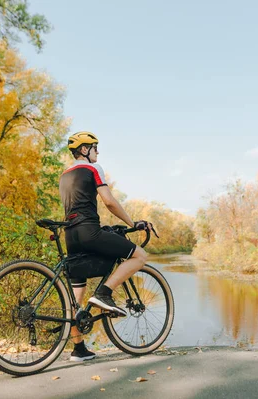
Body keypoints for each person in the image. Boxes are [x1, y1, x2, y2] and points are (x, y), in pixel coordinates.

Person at [58, 131, 152, 361]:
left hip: (70, 235)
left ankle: (78, 349)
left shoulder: (64, 175)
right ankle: (104, 292)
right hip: (89, 231)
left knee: (76, 298)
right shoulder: (92, 169)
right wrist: (132, 223)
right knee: (140, 256)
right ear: (84, 150)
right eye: (95, 147)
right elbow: (109, 201)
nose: (98, 151)